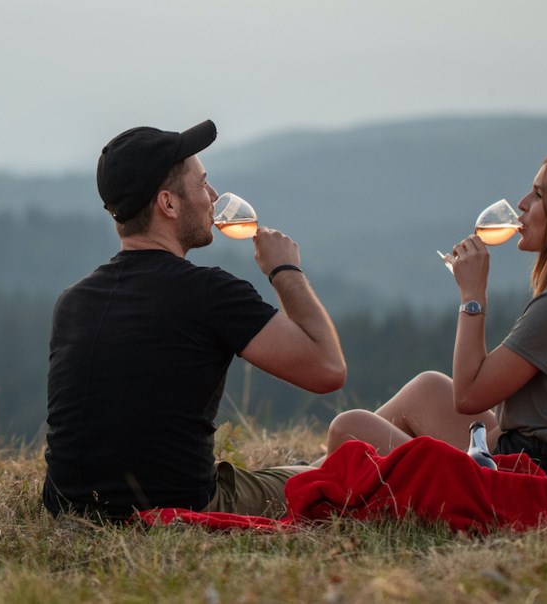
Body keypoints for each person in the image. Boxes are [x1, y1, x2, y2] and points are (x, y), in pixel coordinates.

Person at [42, 119, 346, 520]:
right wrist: (285, 271)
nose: (214, 197)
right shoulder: (208, 293)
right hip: (181, 505)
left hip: (68, 508)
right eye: (203, 185)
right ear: (168, 204)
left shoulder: (73, 301)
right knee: (326, 475)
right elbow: (327, 369)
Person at [324, 146, 547, 476]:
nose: (522, 204)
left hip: (525, 479)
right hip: (545, 461)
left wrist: (472, 297)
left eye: (538, 195)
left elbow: (469, 396)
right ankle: (312, 471)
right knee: (429, 389)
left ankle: (304, 479)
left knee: (348, 428)